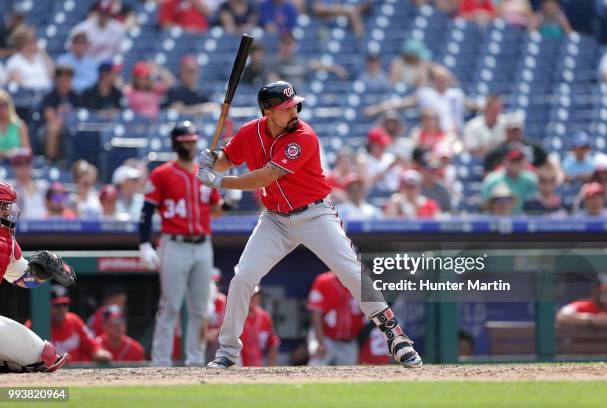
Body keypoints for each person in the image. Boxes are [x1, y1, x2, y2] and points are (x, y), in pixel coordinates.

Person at [198, 80, 422, 368]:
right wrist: (213, 159)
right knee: (242, 278)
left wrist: (219, 180)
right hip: (274, 219)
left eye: (295, 106)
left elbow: (266, 176)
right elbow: (227, 159)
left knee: (352, 272)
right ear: (267, 111)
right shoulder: (249, 132)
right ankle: (227, 352)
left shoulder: (304, 136)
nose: (294, 112)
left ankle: (397, 338)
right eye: (286, 108)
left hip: (315, 215)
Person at [139, 121, 223, 367]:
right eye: (186, 141)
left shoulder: (205, 173)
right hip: (174, 243)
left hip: (203, 244)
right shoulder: (162, 173)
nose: (190, 144)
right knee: (170, 306)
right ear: (176, 143)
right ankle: (161, 362)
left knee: (200, 308)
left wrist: (231, 199)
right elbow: (146, 212)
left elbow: (216, 210)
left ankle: (195, 361)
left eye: (193, 140)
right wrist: (144, 244)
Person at [0, 183, 71, 373]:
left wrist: (44, 272)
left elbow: (24, 278)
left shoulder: (7, 243)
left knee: (44, 355)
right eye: (3, 206)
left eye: (8, 206)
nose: (8, 212)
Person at [365, 65, 469, 133]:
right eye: (438, 78)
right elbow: (401, 103)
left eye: (444, 78)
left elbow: (472, 104)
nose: (441, 81)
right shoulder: (425, 93)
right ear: (433, 80)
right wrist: (376, 109)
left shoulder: (456, 94)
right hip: (430, 135)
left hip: (453, 136)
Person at [307, 271, 366, 366]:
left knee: (350, 375)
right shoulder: (323, 281)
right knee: (315, 369)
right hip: (325, 337)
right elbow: (316, 314)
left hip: (349, 341)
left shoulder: (362, 284)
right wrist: (320, 342)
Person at [46, 285, 113, 363]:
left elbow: (92, 345)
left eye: (65, 304)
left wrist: (98, 352)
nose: (61, 309)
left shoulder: (74, 320)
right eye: (56, 305)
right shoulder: (35, 325)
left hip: (77, 372)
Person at [270, 33, 348, 90]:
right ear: (280, 45)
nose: (289, 47)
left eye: (291, 44)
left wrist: (336, 68)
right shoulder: (273, 62)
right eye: (286, 44)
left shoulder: (299, 61)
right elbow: (272, 80)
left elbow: (314, 64)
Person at [483, 112, 548, 173]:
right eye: (512, 130)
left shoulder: (534, 147)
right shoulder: (497, 151)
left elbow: (548, 161)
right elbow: (487, 173)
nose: (515, 133)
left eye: (517, 130)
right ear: (506, 131)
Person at [481, 146, 538, 214]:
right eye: (512, 161)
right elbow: (484, 204)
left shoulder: (531, 180)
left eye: (518, 161)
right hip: (496, 218)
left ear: (524, 162)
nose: (515, 164)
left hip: (522, 220)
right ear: (504, 161)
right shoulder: (492, 180)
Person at [41, 65, 80, 161]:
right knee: (53, 127)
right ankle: (50, 159)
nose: (66, 83)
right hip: (50, 127)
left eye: (68, 79)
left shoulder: (75, 96)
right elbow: (49, 116)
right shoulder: (50, 96)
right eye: (63, 79)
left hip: (72, 124)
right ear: (57, 80)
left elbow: (81, 114)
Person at [239, 286, 280, 366]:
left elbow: (273, 343)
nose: (253, 298)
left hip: (258, 367)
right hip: (238, 366)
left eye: (256, 295)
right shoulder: (236, 316)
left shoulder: (265, 317)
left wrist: (270, 367)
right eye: (250, 295)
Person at [5, 25, 53, 91]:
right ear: (22, 43)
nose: (35, 43)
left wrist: (42, 52)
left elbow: (53, 75)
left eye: (35, 39)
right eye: (31, 41)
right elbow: (20, 86)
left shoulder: (40, 57)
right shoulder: (14, 61)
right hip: (29, 97)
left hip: (47, 94)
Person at [360, 127, 402, 193]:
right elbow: (367, 184)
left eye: (383, 144)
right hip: (373, 195)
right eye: (379, 144)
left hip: (393, 194)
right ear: (372, 145)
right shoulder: (363, 160)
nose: (383, 147)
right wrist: (388, 168)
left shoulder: (390, 157)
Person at [8, 150, 47, 219]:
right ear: (14, 167)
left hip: (42, 226)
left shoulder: (43, 186)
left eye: (27, 163)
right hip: (19, 228)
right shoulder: (9, 189)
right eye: (19, 163)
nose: (24, 167)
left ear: (31, 165)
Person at [0, 90, 30, 158]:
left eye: (4, 104)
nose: (1, 108)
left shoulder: (20, 125)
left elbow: (27, 150)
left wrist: (16, 152)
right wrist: (8, 153)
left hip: (16, 164)